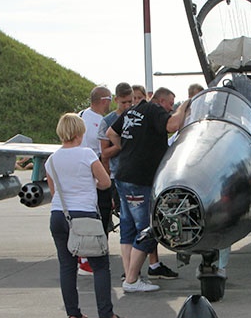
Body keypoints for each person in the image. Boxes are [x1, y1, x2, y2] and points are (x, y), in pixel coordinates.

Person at [45, 113, 128, 318]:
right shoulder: (87, 155)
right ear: (79, 133)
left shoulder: (51, 159)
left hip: (59, 215)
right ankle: (106, 313)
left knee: (67, 265)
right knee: (100, 266)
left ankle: (73, 313)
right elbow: (104, 182)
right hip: (84, 215)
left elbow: (54, 191)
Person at [107, 87, 189, 292]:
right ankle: (132, 280)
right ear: (161, 101)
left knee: (127, 229)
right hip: (139, 180)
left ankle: (129, 276)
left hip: (123, 176)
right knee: (147, 230)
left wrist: (127, 148)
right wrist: (184, 107)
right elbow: (173, 125)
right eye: (170, 104)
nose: (171, 108)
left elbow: (110, 133)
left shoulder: (131, 111)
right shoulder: (154, 110)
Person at [98, 83, 135, 273]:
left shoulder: (137, 117)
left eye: (131, 101)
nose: (128, 105)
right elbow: (104, 154)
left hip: (136, 177)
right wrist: (122, 145)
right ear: (116, 100)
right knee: (122, 222)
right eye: (124, 102)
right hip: (116, 177)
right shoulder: (108, 121)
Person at [77, 86, 113, 277]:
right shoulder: (102, 122)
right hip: (94, 170)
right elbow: (103, 152)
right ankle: (88, 259)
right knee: (97, 214)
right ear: (104, 100)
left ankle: (81, 255)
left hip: (79, 173)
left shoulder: (80, 115)